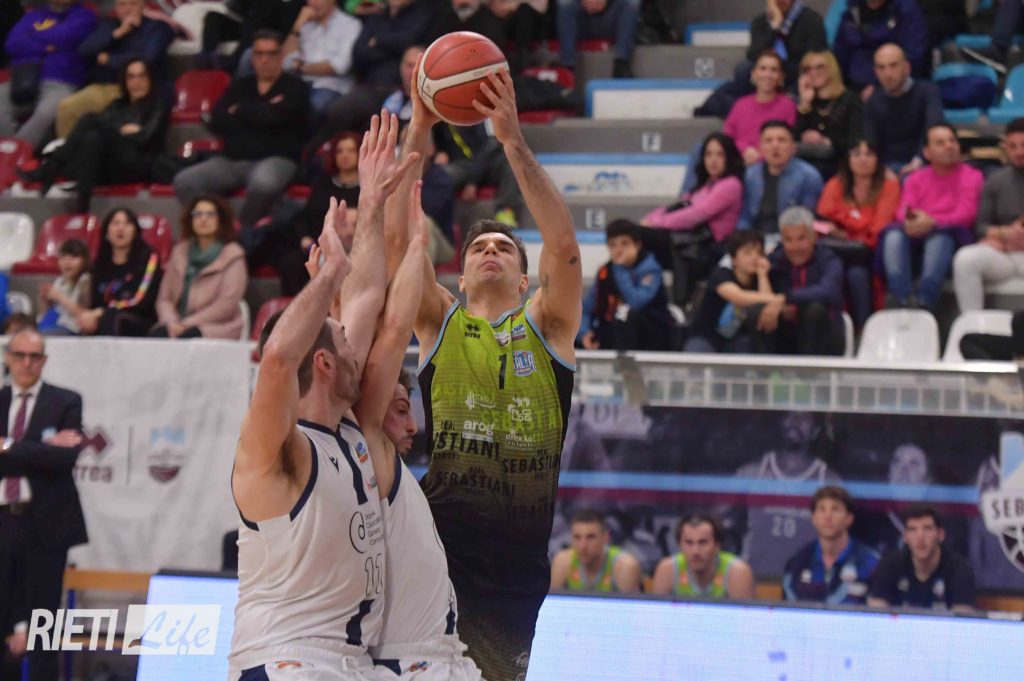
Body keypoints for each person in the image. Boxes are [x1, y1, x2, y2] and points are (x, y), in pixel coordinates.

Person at [393, 63, 582, 681]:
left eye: (504, 247)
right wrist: (418, 128)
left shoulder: (549, 325)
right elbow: (397, 244)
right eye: (479, 247)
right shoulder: (438, 321)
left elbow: (565, 248)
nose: (491, 250)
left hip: (516, 563)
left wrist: (512, 141)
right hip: (436, 547)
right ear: (460, 276)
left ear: (526, 281)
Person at [228, 112, 418, 680]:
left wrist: (371, 202)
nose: (356, 343)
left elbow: (366, 295)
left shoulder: (347, 426)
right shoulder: (276, 448)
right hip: (287, 659)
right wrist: (328, 277)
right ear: (326, 364)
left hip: (349, 662)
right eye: (343, 340)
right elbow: (277, 360)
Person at [345, 181, 483, 679]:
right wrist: (409, 239)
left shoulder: (384, 466)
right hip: (407, 664)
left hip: (439, 658)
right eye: (401, 408)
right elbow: (388, 324)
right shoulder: (369, 451)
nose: (413, 423)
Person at [0, 328, 86, 681]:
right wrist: (42, 448)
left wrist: (7, 446)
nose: (27, 363)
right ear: (8, 357)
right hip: (3, 520)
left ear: (44, 360)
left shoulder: (65, 401)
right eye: (20, 355)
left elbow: (63, 460)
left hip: (45, 526)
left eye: (34, 356)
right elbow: (48, 456)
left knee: (43, 625)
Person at [173, 30, 310, 233]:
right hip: (232, 160)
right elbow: (218, 121)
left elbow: (279, 117)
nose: (264, 59)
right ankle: (218, 229)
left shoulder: (295, 87)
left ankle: (240, 234)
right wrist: (264, 111)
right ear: (252, 56)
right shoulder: (240, 86)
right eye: (259, 54)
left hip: (276, 159)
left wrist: (240, 111)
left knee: (264, 183)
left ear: (281, 56)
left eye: (271, 54)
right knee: (185, 181)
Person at [18, 58, 170, 213]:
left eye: (142, 76)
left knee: (90, 119)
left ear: (150, 79)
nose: (137, 82)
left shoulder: (158, 106)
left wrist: (116, 134)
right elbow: (100, 130)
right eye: (131, 77)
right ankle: (82, 204)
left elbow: (145, 139)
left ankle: (51, 168)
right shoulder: (117, 105)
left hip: (138, 165)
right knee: (91, 138)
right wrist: (121, 131)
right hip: (109, 167)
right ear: (125, 81)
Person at [882, 123, 983, 312]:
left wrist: (933, 221)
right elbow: (903, 211)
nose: (949, 146)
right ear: (927, 153)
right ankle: (901, 299)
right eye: (940, 143)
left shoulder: (973, 176)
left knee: (940, 237)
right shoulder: (915, 178)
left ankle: (925, 302)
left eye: (952, 141)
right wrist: (911, 219)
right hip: (916, 236)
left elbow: (967, 214)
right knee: (893, 235)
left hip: (951, 237)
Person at [251, 132, 362, 296]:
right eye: (340, 151)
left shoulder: (366, 187)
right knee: (290, 260)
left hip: (352, 244)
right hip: (315, 243)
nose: (345, 155)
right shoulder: (322, 183)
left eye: (351, 150)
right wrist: (304, 237)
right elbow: (306, 216)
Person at [736, 410, 841, 576]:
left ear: (815, 431)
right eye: (790, 415)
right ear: (780, 422)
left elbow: (839, 537)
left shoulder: (827, 480)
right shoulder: (752, 472)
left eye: (804, 418)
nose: (795, 421)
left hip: (803, 580)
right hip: (756, 576)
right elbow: (719, 520)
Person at [642, 132, 744, 304]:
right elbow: (680, 205)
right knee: (636, 238)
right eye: (708, 154)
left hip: (708, 247)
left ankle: (674, 304)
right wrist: (651, 219)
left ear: (729, 157)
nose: (713, 160)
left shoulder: (731, 185)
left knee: (641, 236)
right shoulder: (704, 184)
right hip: (689, 241)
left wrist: (656, 223)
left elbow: (695, 215)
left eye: (719, 155)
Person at [55, 0, 174, 138]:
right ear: (115, 8)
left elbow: (148, 58)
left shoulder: (158, 28)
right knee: (67, 107)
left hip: (136, 89)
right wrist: (118, 33)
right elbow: (85, 50)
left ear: (142, 6)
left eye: (133, 4)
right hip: (104, 86)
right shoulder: (108, 25)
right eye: (122, 5)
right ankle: (68, 149)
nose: (127, 9)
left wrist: (109, 59)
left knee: (118, 123)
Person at [316, 0, 432, 140]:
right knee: (339, 112)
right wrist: (391, 50)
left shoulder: (422, 14)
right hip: (367, 84)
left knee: (347, 110)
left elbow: (407, 42)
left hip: (397, 88)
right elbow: (358, 53)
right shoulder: (377, 17)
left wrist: (376, 42)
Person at [816, 138, 899, 330]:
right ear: (847, 158)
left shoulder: (889, 186)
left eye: (869, 154)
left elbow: (877, 229)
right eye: (856, 154)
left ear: (878, 159)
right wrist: (859, 226)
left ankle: (864, 331)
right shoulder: (835, 184)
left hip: (872, 255)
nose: (863, 159)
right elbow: (822, 218)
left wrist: (843, 227)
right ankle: (835, 331)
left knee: (857, 274)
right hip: (837, 252)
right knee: (837, 270)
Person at [0, 0, 97, 150]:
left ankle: (15, 152)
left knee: (46, 113)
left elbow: (64, 36)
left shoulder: (85, 16)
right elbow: (12, 44)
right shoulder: (33, 15)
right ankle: (7, 151)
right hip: (23, 78)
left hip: (61, 82)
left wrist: (31, 34)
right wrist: (44, 47)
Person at [151, 196, 247, 340]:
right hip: (176, 324)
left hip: (216, 327)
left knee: (188, 337)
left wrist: (187, 323)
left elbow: (226, 306)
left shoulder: (233, 255)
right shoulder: (179, 252)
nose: (203, 219)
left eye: (210, 214)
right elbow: (164, 298)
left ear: (221, 220)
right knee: (156, 336)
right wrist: (170, 320)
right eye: (198, 214)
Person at [953, 117, 1024, 312]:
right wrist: (1003, 234)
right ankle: (973, 324)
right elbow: (981, 226)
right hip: (1005, 252)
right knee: (965, 259)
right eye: (1013, 146)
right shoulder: (995, 180)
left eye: (1023, 145)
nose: (1019, 152)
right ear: (1005, 148)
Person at [761, 206, 845, 356]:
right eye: (788, 240)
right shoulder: (775, 260)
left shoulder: (829, 260)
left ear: (814, 237)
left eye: (801, 238)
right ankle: (762, 368)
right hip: (786, 334)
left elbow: (827, 291)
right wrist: (777, 303)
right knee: (759, 311)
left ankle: (809, 370)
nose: (795, 247)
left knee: (814, 309)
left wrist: (786, 298)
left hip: (824, 339)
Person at [684, 231, 786, 353]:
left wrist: (762, 275)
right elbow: (738, 297)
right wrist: (777, 298)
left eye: (759, 253)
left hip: (736, 339)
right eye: (748, 253)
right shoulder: (722, 274)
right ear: (734, 259)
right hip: (705, 336)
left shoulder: (760, 280)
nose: (755, 258)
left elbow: (765, 307)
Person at [578, 219, 672, 352]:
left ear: (637, 245)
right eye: (613, 245)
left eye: (625, 243)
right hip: (613, 332)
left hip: (649, 334)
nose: (619, 250)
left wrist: (620, 269)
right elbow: (587, 309)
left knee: (626, 315)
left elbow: (636, 302)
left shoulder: (651, 269)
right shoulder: (605, 271)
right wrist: (584, 333)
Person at [782, 486, 880, 605]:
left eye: (835, 509)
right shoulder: (797, 563)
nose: (828, 516)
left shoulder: (871, 563)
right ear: (813, 518)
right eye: (822, 509)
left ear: (849, 518)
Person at [868, 505, 976, 611]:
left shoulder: (959, 569)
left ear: (940, 534)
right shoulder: (890, 565)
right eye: (913, 529)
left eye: (927, 529)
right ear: (905, 536)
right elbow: (876, 613)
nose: (920, 537)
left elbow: (962, 618)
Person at [76, 208, 162, 337]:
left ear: (135, 231)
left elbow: (139, 300)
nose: (120, 228)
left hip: (139, 319)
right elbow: (95, 302)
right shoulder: (100, 263)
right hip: (103, 318)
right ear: (106, 233)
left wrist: (102, 312)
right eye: (115, 223)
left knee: (111, 317)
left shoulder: (150, 258)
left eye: (127, 224)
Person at [862, 43, 943, 175]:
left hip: (923, 162)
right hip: (885, 168)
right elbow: (870, 142)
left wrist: (919, 160)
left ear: (907, 67)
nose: (887, 73)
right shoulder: (873, 101)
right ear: (875, 72)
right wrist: (880, 170)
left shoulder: (928, 92)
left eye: (893, 65)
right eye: (881, 68)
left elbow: (933, 128)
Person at [281, 0, 362, 127]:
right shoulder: (305, 26)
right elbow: (285, 61)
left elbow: (339, 66)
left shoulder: (350, 25)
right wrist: (297, 26)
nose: (312, 3)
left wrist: (300, 67)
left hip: (331, 86)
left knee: (314, 106)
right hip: (300, 83)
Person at [737, 121, 823, 236]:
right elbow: (744, 217)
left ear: (793, 147)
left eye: (782, 140)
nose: (775, 146)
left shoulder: (809, 176)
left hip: (790, 239)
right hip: (754, 238)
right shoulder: (749, 175)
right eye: (768, 141)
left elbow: (808, 219)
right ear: (760, 147)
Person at [433, 121, 524, 226]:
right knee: (437, 176)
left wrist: (473, 181)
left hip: (487, 162)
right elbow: (436, 138)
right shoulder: (442, 117)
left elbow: (488, 147)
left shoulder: (485, 117)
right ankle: (437, 223)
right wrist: (440, 151)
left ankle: (505, 211)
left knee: (511, 162)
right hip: (460, 164)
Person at [833, 0, 929, 96]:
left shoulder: (905, 10)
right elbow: (839, 55)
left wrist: (877, 87)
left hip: (894, 90)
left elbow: (914, 57)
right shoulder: (851, 13)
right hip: (852, 89)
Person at [650, 513, 755, 599]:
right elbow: (656, 616)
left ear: (717, 545)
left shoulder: (737, 571)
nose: (695, 551)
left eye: (703, 542)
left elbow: (744, 618)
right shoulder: (668, 569)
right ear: (680, 545)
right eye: (689, 543)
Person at [795, 49, 863, 179]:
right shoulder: (807, 101)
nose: (814, 73)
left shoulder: (850, 99)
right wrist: (804, 104)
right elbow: (794, 138)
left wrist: (826, 141)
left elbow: (855, 138)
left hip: (840, 164)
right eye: (808, 69)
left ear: (831, 69)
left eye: (820, 67)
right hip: (808, 162)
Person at [724, 50, 797, 166]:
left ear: (780, 77)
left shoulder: (787, 105)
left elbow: (788, 141)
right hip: (740, 162)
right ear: (754, 74)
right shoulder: (741, 104)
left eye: (773, 70)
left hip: (773, 165)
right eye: (763, 69)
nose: (767, 74)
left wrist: (760, 155)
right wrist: (744, 150)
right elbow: (727, 138)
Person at [550, 509, 643, 593]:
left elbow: (632, 606)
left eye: (591, 537)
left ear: (605, 538)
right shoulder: (563, 562)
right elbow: (551, 604)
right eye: (577, 537)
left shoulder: (625, 566)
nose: (583, 546)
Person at [746, 0, 827, 90]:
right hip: (769, 74)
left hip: (798, 74)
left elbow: (814, 58)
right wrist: (774, 26)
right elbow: (753, 55)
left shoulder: (812, 20)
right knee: (744, 70)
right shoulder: (759, 22)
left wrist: (781, 71)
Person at [556, 0, 639, 78]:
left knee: (632, 2)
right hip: (580, 19)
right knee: (565, 2)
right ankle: (567, 68)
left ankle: (621, 64)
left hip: (611, 17)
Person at [37, 239, 91, 336]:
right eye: (63, 257)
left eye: (73, 257)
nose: (67, 262)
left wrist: (59, 297)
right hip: (56, 324)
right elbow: (44, 315)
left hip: (74, 329)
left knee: (39, 336)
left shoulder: (85, 280)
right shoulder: (60, 281)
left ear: (84, 261)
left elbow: (84, 314)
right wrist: (44, 300)